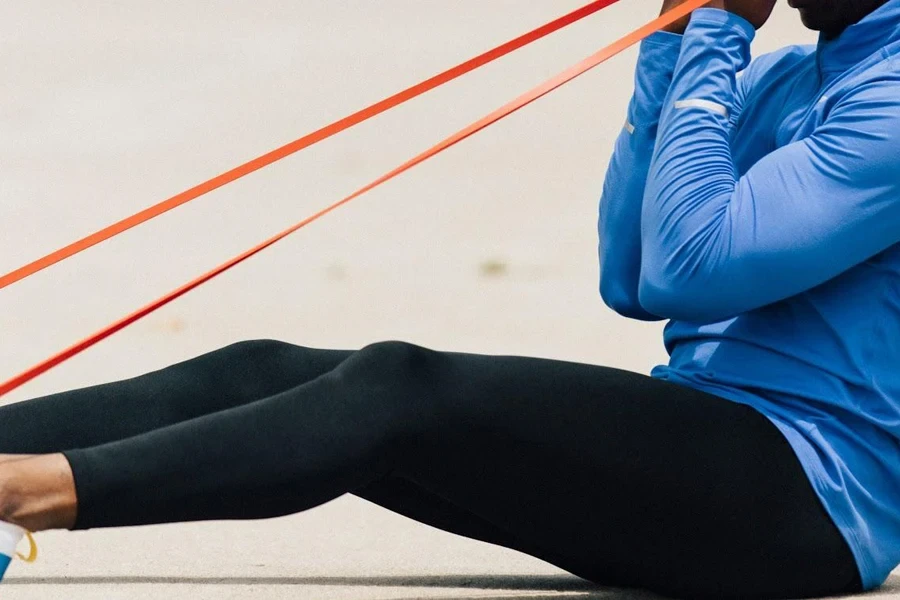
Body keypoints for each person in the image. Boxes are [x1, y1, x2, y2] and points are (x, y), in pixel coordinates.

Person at [1, 0, 898, 597]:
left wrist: (714, 38)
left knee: (400, 390)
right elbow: (628, 275)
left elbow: (687, 267)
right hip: (709, 439)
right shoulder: (785, 77)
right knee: (262, 372)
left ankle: (31, 493)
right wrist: (673, 46)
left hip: (808, 499)